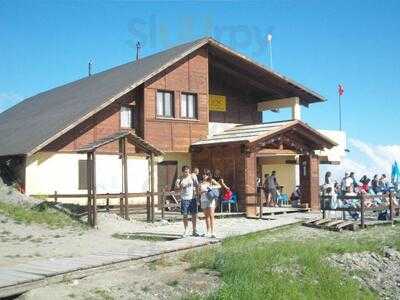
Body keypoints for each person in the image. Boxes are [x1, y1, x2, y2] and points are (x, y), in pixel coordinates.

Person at [175, 165, 199, 237]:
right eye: (185, 172)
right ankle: (186, 230)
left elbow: (197, 185)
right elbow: (176, 188)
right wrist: (180, 186)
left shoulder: (192, 177)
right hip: (184, 198)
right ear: (183, 172)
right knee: (185, 215)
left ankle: (194, 230)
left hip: (192, 198)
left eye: (188, 171)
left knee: (194, 214)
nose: (187, 173)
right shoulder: (180, 178)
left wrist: (197, 195)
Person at [199, 169, 221, 238]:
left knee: (211, 215)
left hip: (211, 199)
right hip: (203, 200)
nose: (205, 175)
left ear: (209, 175)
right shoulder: (201, 182)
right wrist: (202, 192)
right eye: (204, 174)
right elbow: (198, 192)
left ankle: (213, 232)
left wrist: (211, 187)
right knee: (206, 216)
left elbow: (219, 186)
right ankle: (207, 231)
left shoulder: (211, 181)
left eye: (206, 174)